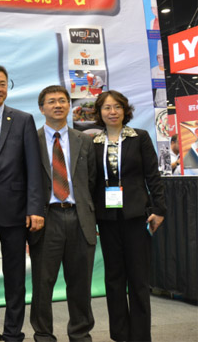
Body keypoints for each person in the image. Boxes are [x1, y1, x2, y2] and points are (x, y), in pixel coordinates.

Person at [0, 63, 43, 342]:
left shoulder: (23, 119)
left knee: (15, 277)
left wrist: (35, 208)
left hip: (15, 210)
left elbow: (33, 168)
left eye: (2, 83)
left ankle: (13, 333)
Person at [92, 90, 166, 342]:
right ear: (99, 112)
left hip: (136, 216)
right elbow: (91, 182)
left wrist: (159, 210)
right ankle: (120, 335)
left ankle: (141, 336)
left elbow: (153, 176)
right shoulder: (93, 142)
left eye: (117, 107)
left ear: (125, 110)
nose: (112, 112)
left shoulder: (140, 137)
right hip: (107, 219)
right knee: (113, 279)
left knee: (138, 279)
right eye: (106, 107)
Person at [29, 85, 97, 342]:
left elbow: (92, 181)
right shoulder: (31, 140)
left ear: (69, 106)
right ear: (41, 108)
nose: (57, 105)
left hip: (80, 217)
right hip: (46, 218)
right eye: (51, 101)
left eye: (62, 101)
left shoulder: (84, 140)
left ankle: (80, 334)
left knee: (80, 283)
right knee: (43, 284)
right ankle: (43, 335)